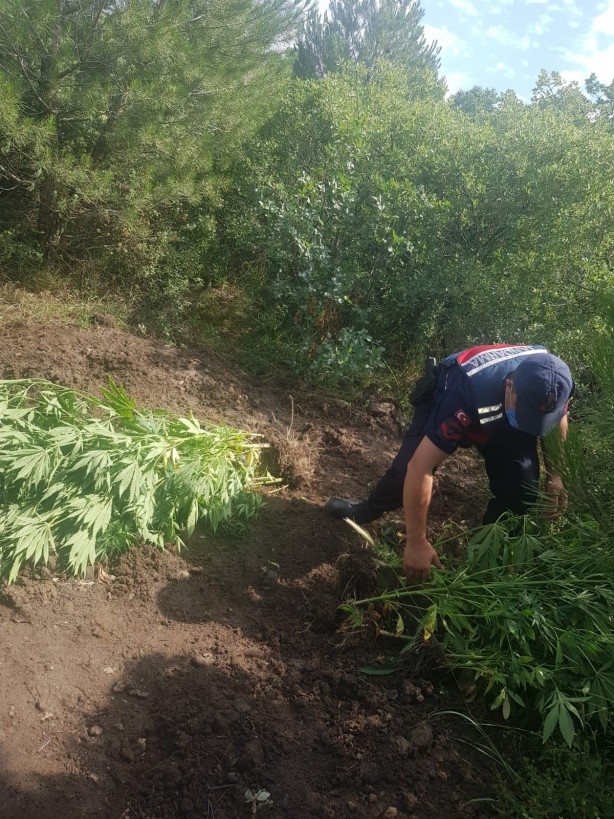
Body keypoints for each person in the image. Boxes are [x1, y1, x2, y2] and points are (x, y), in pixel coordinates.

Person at [326, 344, 574, 582]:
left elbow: (559, 422)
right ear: (509, 387)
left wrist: (556, 476)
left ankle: (488, 553)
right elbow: (420, 467)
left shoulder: (554, 379)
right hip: (459, 395)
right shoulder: (464, 392)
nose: (531, 426)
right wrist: (416, 542)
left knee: (522, 489)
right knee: (405, 475)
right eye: (526, 417)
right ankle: (362, 511)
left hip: (500, 415)